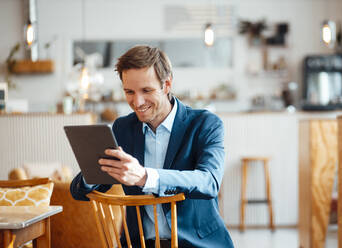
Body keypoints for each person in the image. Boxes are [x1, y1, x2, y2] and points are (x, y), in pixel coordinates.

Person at [70, 45, 234, 248]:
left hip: (198, 244)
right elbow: (78, 192)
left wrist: (145, 177)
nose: (137, 102)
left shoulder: (205, 124)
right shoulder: (123, 128)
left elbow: (209, 181)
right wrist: (93, 167)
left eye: (146, 90)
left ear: (166, 85)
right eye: (129, 92)